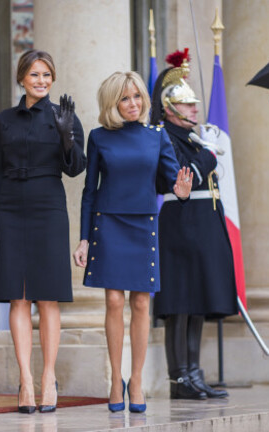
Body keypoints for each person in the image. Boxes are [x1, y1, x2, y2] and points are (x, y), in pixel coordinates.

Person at [72, 71, 192, 413]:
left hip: (143, 224)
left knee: (141, 303)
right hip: (108, 223)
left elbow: (171, 180)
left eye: (137, 96)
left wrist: (180, 192)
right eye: (125, 98)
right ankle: (115, 378)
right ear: (113, 103)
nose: (133, 103)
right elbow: (89, 192)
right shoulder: (98, 137)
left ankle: (136, 380)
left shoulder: (158, 136)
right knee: (113, 301)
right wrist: (84, 239)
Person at [0, 49, 86, 414]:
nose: (42, 81)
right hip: (10, 205)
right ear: (21, 78)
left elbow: (75, 169)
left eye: (47, 75)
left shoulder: (64, 116)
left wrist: (67, 137)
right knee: (18, 296)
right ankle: (25, 381)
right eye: (35, 75)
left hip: (48, 206)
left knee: (48, 296)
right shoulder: (4, 121)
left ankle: (48, 379)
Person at [150, 50, 238, 400]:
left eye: (194, 104)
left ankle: (195, 372)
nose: (195, 109)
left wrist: (205, 147)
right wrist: (209, 154)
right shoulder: (165, 137)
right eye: (187, 105)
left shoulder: (192, 137)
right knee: (179, 303)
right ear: (169, 107)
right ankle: (180, 377)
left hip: (203, 224)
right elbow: (183, 177)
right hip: (181, 226)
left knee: (198, 299)